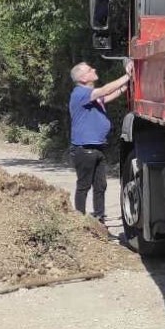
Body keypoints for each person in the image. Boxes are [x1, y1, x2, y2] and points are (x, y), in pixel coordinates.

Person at [67, 59, 131, 227]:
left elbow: (109, 95)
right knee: (84, 185)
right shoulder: (80, 93)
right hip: (84, 149)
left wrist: (127, 85)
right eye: (89, 69)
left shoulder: (91, 96)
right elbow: (104, 90)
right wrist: (127, 75)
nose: (93, 69)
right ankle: (79, 220)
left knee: (100, 185)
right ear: (82, 78)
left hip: (97, 148)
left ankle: (99, 219)